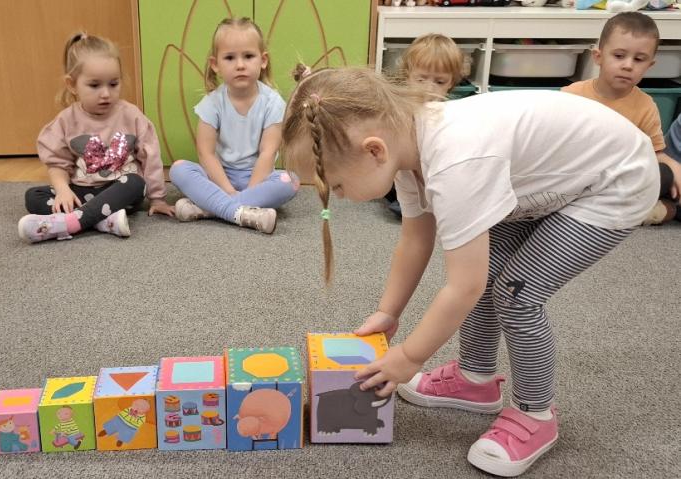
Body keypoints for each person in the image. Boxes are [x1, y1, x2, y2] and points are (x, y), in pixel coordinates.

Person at [281, 66, 657, 477]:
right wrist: (389, 312)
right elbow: (415, 240)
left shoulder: (456, 163)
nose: (338, 197)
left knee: (515, 296)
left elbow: (464, 287)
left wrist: (408, 357)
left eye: (335, 186)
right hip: (552, 180)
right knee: (488, 270)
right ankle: (475, 379)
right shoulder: (404, 148)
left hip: (616, 181)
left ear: (374, 151)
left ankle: (536, 414)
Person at [18, 32, 173, 243]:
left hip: (121, 192)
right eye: (94, 85)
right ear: (72, 84)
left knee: (136, 182)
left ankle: (71, 223)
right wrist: (63, 191)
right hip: (83, 191)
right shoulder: (66, 120)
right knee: (34, 196)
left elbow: (150, 157)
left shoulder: (131, 115)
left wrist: (157, 199)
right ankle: (101, 220)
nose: (106, 94)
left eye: (113, 84)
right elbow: (57, 163)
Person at [168, 17, 299, 234]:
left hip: (258, 178)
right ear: (215, 65)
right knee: (178, 169)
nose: (240, 65)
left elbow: (268, 153)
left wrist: (249, 190)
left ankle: (210, 209)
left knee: (290, 181)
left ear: (263, 60)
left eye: (248, 56)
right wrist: (228, 190)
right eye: (229, 58)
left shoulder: (273, 102)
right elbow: (206, 154)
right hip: (219, 177)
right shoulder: (212, 103)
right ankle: (243, 211)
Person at [562, 12, 680, 224]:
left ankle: (633, 209)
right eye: (619, 56)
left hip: (617, 178)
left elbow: (654, 154)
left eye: (639, 59)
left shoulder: (646, 106)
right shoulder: (572, 95)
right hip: (573, 173)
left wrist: (673, 166)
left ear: (649, 66)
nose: (628, 65)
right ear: (598, 57)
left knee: (663, 175)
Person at [384, 33, 468, 216]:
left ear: (451, 82)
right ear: (408, 76)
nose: (429, 88)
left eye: (439, 82)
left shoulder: (447, 114)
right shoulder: (401, 108)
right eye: (421, 79)